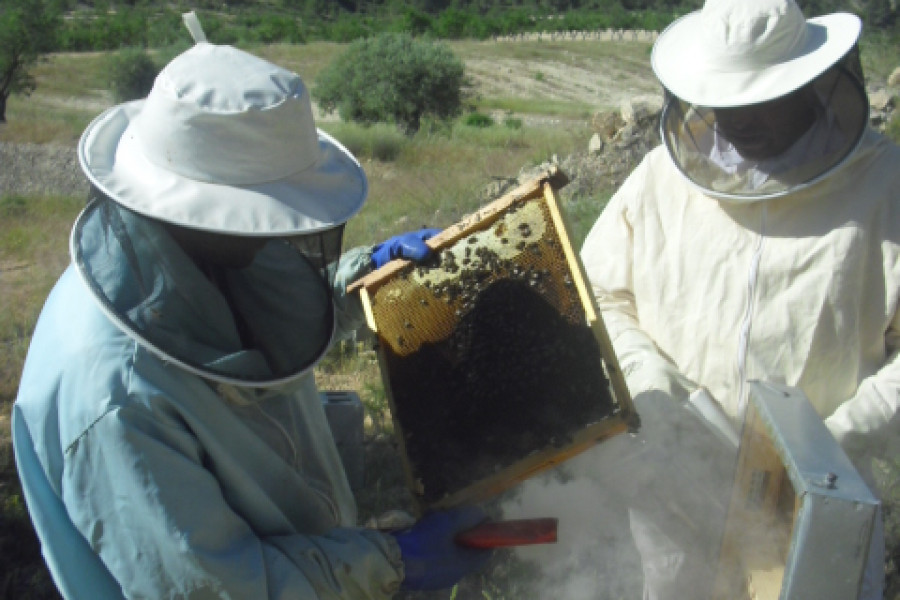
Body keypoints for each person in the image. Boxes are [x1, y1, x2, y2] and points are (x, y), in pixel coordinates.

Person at [12, 14, 490, 599]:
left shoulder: (193, 252)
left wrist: (362, 277)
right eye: (259, 218)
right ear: (197, 211)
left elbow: (257, 319)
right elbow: (212, 587)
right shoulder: (112, 397)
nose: (273, 238)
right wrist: (392, 563)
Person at [579, 0, 899, 598]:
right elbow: (601, 291)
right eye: (724, 95)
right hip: (672, 488)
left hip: (819, 506)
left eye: (762, 96)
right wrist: (651, 380)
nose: (737, 117)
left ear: (809, 83)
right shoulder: (660, 178)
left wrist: (833, 444)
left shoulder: (887, 187)